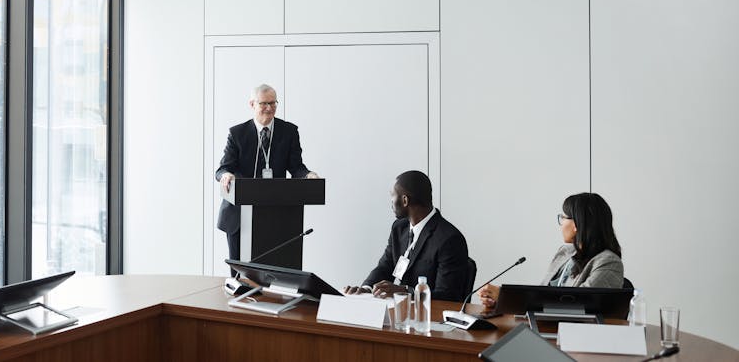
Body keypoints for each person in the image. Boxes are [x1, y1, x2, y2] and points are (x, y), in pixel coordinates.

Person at [215, 84, 319, 261]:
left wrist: (308, 175)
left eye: (273, 103)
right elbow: (223, 169)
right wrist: (226, 175)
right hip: (239, 216)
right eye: (264, 103)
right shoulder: (237, 133)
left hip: (276, 215)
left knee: (273, 274)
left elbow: (296, 167)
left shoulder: (289, 131)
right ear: (252, 104)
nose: (269, 108)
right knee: (240, 275)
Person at [478, 192, 624, 309]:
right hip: (546, 328)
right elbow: (541, 294)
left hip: (577, 337)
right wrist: (502, 303)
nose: (561, 224)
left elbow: (577, 306)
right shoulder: (565, 252)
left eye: (563, 218)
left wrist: (506, 297)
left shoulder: (608, 262)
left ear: (577, 225)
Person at [342, 170, 471, 302]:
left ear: (405, 200)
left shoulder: (449, 239)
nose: (391, 202)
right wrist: (366, 289)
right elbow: (385, 266)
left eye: (392, 196)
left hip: (429, 317)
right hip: (398, 311)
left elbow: (447, 296)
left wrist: (405, 291)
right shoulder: (399, 228)